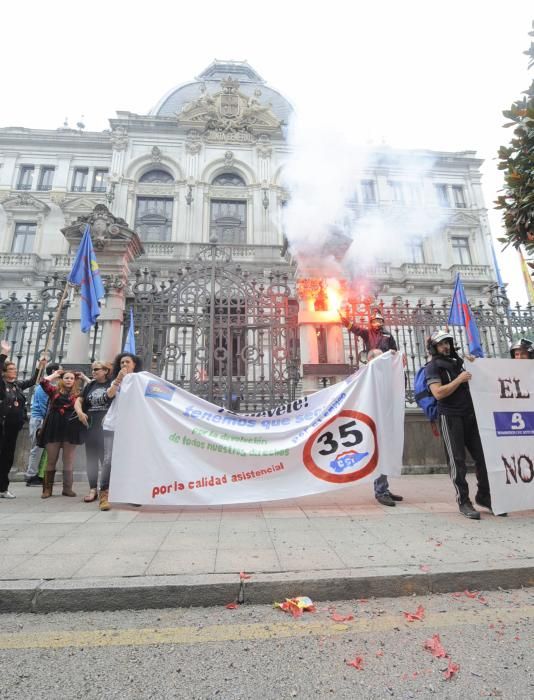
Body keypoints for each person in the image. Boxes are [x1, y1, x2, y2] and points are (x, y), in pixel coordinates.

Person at [424, 329, 492, 520]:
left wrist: (475, 366)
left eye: (448, 343)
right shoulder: (433, 367)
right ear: (434, 347)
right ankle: (463, 500)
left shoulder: (460, 362)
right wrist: (459, 379)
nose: (446, 347)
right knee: (457, 461)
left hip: (470, 416)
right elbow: (438, 393)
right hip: (450, 417)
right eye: (441, 344)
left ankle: (484, 496)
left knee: (483, 457)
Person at [340, 309, 403, 507]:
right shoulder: (368, 334)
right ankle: (380, 490)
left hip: (385, 384)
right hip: (374, 400)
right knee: (378, 444)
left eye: (380, 320)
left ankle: (384, 487)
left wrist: (395, 355)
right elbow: (353, 328)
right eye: (375, 320)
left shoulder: (388, 336)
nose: (377, 323)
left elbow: (395, 353)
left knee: (386, 445)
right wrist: (342, 316)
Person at [0, 340, 46, 499]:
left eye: (15, 368)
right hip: (2, 426)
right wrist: (3, 355)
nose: (14, 371)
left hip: (13, 428)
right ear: (4, 371)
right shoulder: (2, 384)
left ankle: (3, 488)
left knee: (7, 458)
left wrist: (40, 366)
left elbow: (33, 380)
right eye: (11, 369)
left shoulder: (17, 385)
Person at [98, 352, 143, 511]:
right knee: (109, 459)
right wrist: (118, 379)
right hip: (113, 425)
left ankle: (129, 493)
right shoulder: (115, 381)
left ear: (134, 364)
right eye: (122, 362)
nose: (124, 365)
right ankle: (104, 493)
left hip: (131, 427)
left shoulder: (140, 380)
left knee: (130, 459)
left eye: (127, 362)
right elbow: (109, 395)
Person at [39, 369, 84, 499]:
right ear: (61, 380)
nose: (69, 380)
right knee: (51, 459)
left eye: (71, 378)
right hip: (54, 427)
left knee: (68, 460)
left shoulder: (79, 394)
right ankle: (47, 489)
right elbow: (43, 382)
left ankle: (67, 488)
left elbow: (92, 386)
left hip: (70, 427)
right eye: (66, 378)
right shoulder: (54, 391)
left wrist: (85, 377)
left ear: (75, 381)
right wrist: (55, 374)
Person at [74, 361, 113, 503]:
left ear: (106, 371)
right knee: (91, 458)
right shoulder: (90, 385)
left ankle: (106, 489)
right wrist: (79, 412)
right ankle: (92, 489)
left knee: (106, 459)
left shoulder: (112, 384)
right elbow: (79, 400)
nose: (94, 372)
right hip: (90, 426)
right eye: (92, 370)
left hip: (107, 428)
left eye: (96, 369)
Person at [24, 363, 60, 486]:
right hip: (39, 420)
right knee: (37, 448)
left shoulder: (49, 386)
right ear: (55, 371)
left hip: (41, 419)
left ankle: (38, 475)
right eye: (60, 370)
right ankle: (31, 476)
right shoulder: (44, 387)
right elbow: (45, 406)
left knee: (41, 449)